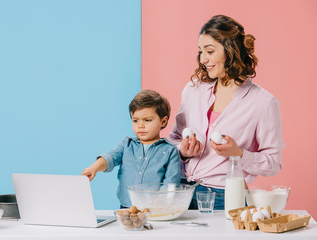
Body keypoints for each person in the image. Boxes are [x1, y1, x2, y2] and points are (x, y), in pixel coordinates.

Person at [169, 15, 284, 210]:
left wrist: (238, 154)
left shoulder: (263, 103)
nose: (203, 59)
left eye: (210, 51)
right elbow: (174, 138)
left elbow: (273, 163)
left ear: (231, 51)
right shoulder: (193, 90)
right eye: (201, 51)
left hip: (225, 197)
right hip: (180, 192)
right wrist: (183, 150)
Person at [82, 89, 182, 208]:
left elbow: (171, 182)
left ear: (163, 121)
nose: (140, 125)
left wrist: (161, 200)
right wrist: (94, 168)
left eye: (147, 120)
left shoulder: (170, 151)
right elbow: (110, 158)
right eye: (135, 120)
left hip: (155, 210)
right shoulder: (126, 145)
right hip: (126, 208)